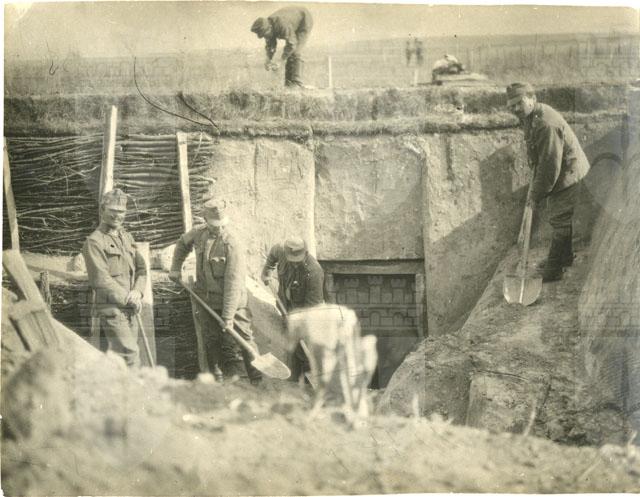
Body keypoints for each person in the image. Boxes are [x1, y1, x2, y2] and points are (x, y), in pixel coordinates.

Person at [169, 199, 262, 385]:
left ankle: (257, 378)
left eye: (222, 224)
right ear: (206, 220)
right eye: (214, 224)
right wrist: (175, 268)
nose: (219, 228)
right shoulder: (198, 233)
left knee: (245, 338)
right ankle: (216, 378)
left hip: (233, 302)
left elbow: (233, 283)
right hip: (206, 299)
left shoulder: (232, 243)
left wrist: (228, 316)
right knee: (211, 339)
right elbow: (182, 244)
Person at [506, 82, 591, 282]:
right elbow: (539, 153)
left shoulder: (545, 123)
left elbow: (550, 167)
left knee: (559, 218)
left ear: (532, 99)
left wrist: (535, 195)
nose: (516, 108)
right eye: (512, 105)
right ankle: (565, 257)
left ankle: (553, 269)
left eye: (519, 103)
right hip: (560, 169)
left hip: (568, 171)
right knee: (560, 216)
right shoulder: (530, 116)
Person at [82, 188, 146, 367]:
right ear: (102, 210)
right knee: (129, 354)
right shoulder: (94, 241)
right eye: (113, 211)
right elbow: (100, 280)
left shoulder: (127, 237)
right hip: (111, 308)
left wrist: (137, 292)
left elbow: (142, 269)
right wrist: (128, 298)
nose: (117, 216)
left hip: (131, 307)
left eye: (122, 212)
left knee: (126, 357)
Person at [261, 237, 324, 381]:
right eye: (292, 260)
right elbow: (273, 255)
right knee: (291, 347)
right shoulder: (280, 250)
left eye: (298, 260)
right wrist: (267, 271)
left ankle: (311, 382)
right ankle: (294, 380)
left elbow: (312, 308)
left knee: (306, 351)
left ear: (305, 253)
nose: (294, 264)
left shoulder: (314, 272)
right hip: (286, 307)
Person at [250, 6, 313, 88]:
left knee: (296, 52)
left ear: (269, 28)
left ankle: (297, 83)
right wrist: (268, 59)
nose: (265, 37)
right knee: (290, 53)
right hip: (292, 19)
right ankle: (289, 84)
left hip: (303, 20)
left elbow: (292, 44)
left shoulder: (282, 24)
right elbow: (270, 45)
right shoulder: (268, 26)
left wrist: (280, 61)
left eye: (265, 35)